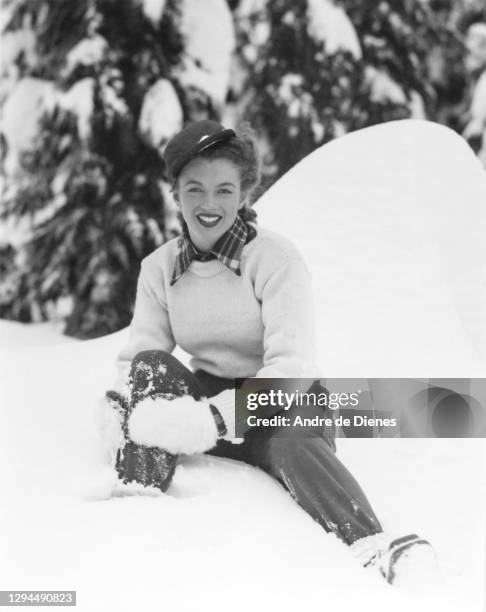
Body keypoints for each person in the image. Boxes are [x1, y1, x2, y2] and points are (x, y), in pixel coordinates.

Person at [101, 119, 437, 589]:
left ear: (243, 195)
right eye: (194, 189)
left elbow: (293, 367)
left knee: (293, 441)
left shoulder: (276, 260)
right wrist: (122, 403)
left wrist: (216, 420)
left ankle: (372, 547)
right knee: (148, 372)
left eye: (224, 189)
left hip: (285, 404)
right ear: (176, 195)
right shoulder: (158, 269)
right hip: (208, 405)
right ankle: (136, 501)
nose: (209, 203)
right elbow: (140, 357)